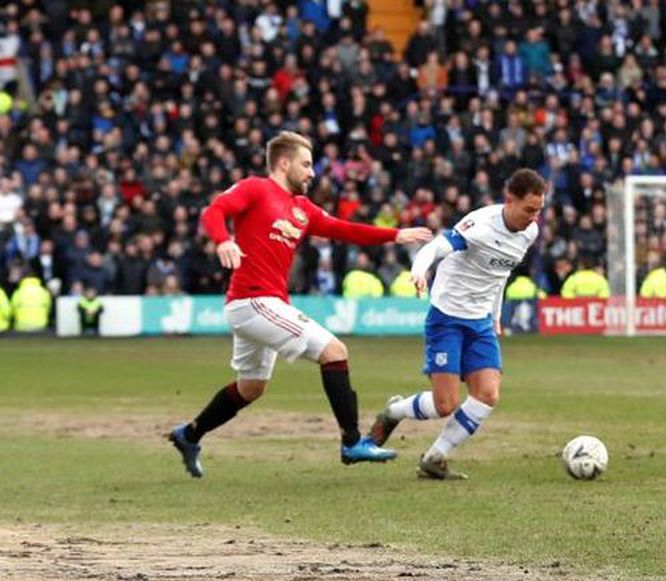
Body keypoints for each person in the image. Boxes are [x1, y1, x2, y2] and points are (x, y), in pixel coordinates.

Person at [168, 131, 432, 478]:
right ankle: (352, 442)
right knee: (335, 351)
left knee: (251, 388)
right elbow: (215, 210)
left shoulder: (302, 209)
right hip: (254, 300)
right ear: (284, 162)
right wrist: (222, 241)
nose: (312, 173)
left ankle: (189, 435)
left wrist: (394, 235)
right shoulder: (255, 188)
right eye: (306, 164)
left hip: (260, 305)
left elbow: (342, 229)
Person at [369, 169, 546, 480]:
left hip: (480, 322)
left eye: (539, 210)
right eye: (529, 210)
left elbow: (499, 275)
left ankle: (436, 457)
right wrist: (420, 271)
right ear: (509, 201)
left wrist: (494, 316)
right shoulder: (479, 225)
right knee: (445, 404)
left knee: (488, 394)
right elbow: (436, 247)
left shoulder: (529, 233)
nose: (534, 218)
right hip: (448, 317)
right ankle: (394, 411)